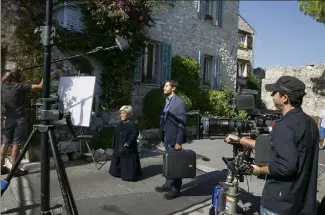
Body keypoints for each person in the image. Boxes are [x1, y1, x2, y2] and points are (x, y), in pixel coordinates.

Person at [225, 76, 319, 215]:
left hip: (280, 204)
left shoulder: (285, 126)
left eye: (275, 92)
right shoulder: (309, 122)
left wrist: (259, 170)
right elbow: (275, 146)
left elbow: (286, 166)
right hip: (301, 201)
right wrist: (240, 140)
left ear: (284, 97)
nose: (272, 95)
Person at [1, 67, 43, 176]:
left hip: (8, 119)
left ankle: (0, 168)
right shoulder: (21, 87)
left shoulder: (3, 86)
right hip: (19, 120)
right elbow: (40, 86)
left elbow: (3, 78)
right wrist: (45, 75)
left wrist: (13, 71)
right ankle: (15, 170)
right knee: (16, 144)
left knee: (5, 143)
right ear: (17, 77)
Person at [155, 80, 187, 200]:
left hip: (175, 138)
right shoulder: (168, 101)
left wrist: (179, 141)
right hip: (167, 137)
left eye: (166, 86)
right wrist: (162, 136)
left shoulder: (179, 103)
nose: (164, 88)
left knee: (175, 164)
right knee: (168, 163)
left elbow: (182, 123)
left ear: (173, 88)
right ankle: (169, 184)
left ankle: (176, 189)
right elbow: (165, 120)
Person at [109, 105, 142, 181]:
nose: (121, 115)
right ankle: (119, 172)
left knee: (127, 171)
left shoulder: (132, 124)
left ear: (129, 114)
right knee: (115, 169)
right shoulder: (121, 123)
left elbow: (134, 134)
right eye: (121, 113)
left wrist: (128, 143)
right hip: (118, 147)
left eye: (124, 113)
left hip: (126, 148)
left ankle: (127, 174)